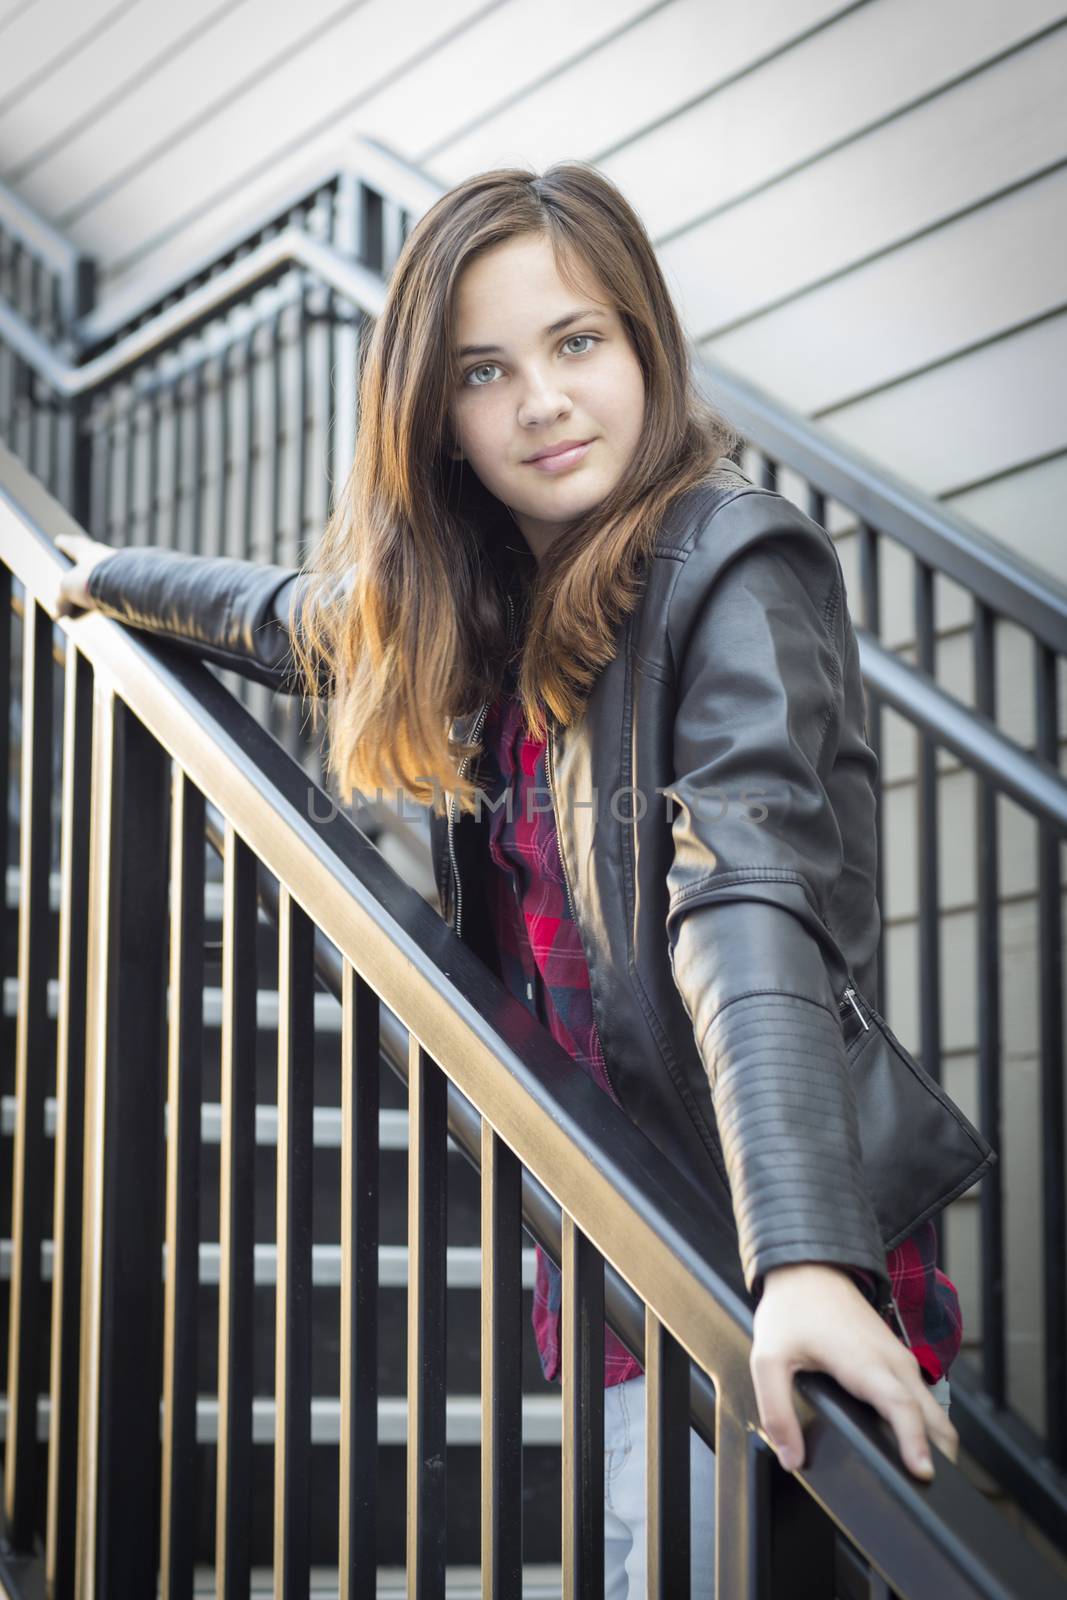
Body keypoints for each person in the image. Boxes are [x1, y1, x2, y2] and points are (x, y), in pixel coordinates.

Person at [54, 161, 960, 1595]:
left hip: (749, 1240)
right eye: (486, 370)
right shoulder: (482, 601)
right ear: (438, 421)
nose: (540, 399)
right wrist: (103, 574)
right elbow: (294, 620)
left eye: (578, 342)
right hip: (613, 1236)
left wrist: (801, 1258)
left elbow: (745, 893)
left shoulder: (733, 561)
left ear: (647, 350)